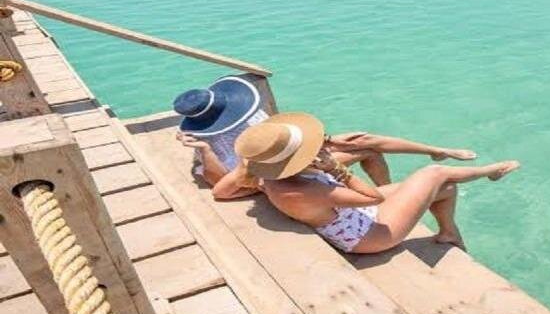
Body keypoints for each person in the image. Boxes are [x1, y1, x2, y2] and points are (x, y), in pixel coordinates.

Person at [213, 112, 520, 253]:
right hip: (369, 236)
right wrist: (336, 169)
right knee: (435, 175)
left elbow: (220, 192)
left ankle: (448, 234)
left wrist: (243, 168)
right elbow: (373, 198)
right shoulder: (307, 189)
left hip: (350, 219)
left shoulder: (264, 176)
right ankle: (490, 171)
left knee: (446, 187)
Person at [173, 77, 480, 193]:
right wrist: (204, 150)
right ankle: (385, 193)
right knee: (369, 151)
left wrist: (329, 140)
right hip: (265, 173)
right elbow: (219, 184)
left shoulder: (248, 111)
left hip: (282, 153)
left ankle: (435, 150)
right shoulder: (203, 138)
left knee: (361, 140)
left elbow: (282, 135)